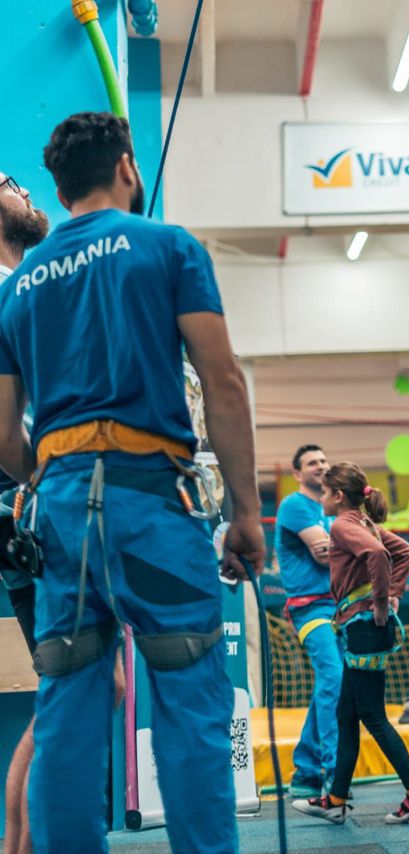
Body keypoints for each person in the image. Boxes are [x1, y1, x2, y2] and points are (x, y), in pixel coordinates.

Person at [0, 112, 265, 854]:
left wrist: (54, 481)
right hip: (154, 503)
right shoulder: (168, 246)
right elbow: (224, 382)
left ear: (59, 183)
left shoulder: (19, 287)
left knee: (67, 716)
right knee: (189, 704)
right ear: (125, 166)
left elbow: (0, 437)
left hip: (59, 518)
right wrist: (246, 513)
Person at [294, 461, 409, 826]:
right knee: (346, 713)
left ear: (338, 496)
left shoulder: (342, 524)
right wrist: (394, 595)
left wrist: (382, 603)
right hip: (363, 626)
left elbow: (379, 555)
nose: (322, 498)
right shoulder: (364, 522)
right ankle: (336, 798)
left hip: (364, 626)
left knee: (371, 715)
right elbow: (402, 550)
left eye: (325, 492)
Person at [0, 171, 49, 854]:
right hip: (25, 509)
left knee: (83, 686)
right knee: (82, 683)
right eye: (9, 185)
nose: (26, 194)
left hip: (22, 510)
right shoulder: (12, 290)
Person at [275, 442, 343, 798]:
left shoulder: (332, 510)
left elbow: (333, 549)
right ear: (298, 474)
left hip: (339, 605)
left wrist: (339, 545)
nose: (320, 465)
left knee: (335, 684)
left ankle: (305, 768)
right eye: (312, 462)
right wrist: (350, 547)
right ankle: (332, 769)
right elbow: (323, 557)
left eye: (324, 460)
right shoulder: (295, 506)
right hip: (310, 608)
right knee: (334, 675)